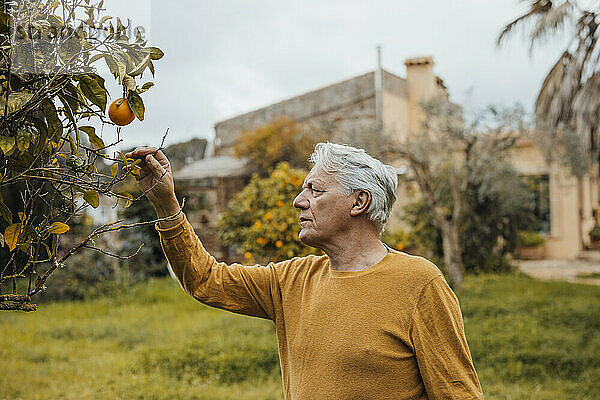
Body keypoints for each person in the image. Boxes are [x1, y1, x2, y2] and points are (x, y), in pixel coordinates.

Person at [126, 142, 484, 400]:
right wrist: (167, 204)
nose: (299, 201)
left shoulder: (419, 282)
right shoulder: (291, 280)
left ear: (359, 202)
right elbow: (204, 279)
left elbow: (457, 393)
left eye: (315, 190)